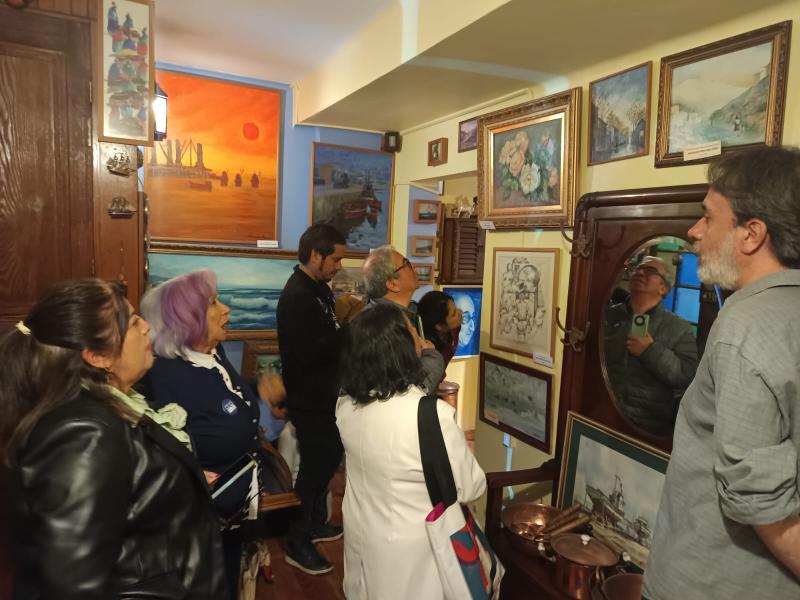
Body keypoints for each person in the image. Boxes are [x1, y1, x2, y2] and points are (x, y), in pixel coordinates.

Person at [0, 279, 227, 599]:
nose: (147, 327)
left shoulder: (117, 404)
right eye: (133, 322)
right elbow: (72, 587)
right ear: (97, 355)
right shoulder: (84, 434)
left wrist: (178, 483)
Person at [644, 146, 800, 599]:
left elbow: (757, 499)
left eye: (709, 217)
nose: (694, 231)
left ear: (751, 234)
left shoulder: (744, 326)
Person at [336, 304, 486, 600]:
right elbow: (471, 486)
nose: (421, 338)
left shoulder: (346, 406)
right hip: (415, 555)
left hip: (362, 539)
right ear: (401, 348)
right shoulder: (430, 414)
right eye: (414, 333)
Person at [137, 269, 262, 599]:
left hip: (230, 515)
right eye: (214, 303)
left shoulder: (212, 353)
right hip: (198, 526)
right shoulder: (164, 376)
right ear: (187, 319)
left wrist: (258, 388)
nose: (226, 309)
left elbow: (223, 397)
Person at [276, 224, 347, 575]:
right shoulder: (298, 296)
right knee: (314, 469)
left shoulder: (317, 288)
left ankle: (316, 523)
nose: (339, 266)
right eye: (335, 259)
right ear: (316, 255)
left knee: (327, 459)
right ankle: (297, 541)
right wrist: (350, 329)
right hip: (309, 397)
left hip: (325, 394)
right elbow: (310, 352)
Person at [603, 256, 699, 436]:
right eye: (637, 268)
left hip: (649, 428)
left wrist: (650, 350)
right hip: (605, 416)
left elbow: (688, 376)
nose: (640, 272)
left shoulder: (679, 328)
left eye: (650, 270)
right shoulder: (609, 315)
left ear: (664, 288)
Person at [361, 245, 444, 392]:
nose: (414, 268)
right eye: (407, 264)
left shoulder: (403, 314)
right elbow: (405, 389)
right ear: (393, 283)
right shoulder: (381, 328)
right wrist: (432, 357)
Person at [417, 290, 462, 367]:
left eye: (456, 308)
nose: (460, 311)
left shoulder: (454, 328)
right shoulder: (427, 349)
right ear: (440, 326)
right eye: (454, 314)